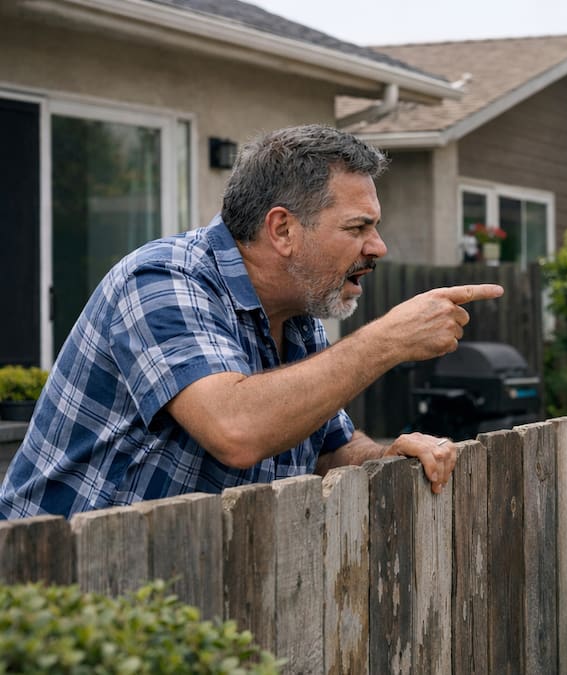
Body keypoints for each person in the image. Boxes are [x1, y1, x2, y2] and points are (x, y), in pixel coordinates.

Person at [0, 124, 503, 520]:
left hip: (172, 597)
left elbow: (330, 449)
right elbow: (235, 428)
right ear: (282, 229)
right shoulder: (161, 281)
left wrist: (387, 454)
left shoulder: (297, 314)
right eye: (358, 227)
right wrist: (385, 341)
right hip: (54, 601)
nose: (378, 247)